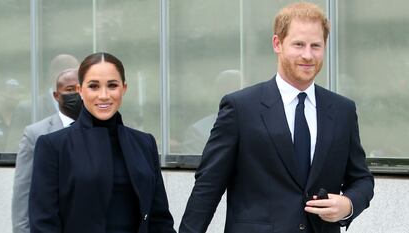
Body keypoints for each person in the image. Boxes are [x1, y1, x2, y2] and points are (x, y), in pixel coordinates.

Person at [179, 2, 374, 233]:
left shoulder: (343, 110)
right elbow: (208, 186)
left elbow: (362, 179)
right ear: (277, 44)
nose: (308, 55)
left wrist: (349, 204)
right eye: (299, 44)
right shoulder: (241, 108)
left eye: (316, 46)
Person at [29, 52, 176, 233]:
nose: (104, 95)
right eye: (94, 86)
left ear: (124, 88)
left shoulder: (144, 143)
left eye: (112, 85)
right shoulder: (53, 146)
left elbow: (159, 219)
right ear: (80, 90)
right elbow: (43, 223)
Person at [11, 69, 82, 233]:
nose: (76, 95)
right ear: (57, 96)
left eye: (79, 89)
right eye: (70, 90)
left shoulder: (100, 129)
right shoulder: (35, 133)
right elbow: (23, 191)